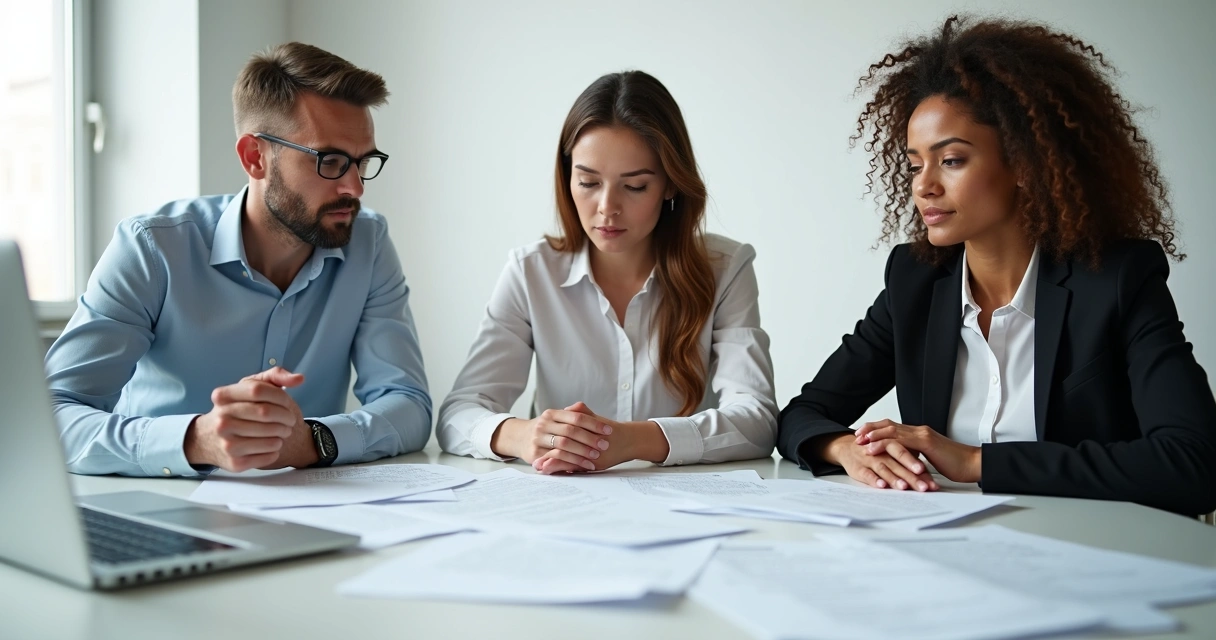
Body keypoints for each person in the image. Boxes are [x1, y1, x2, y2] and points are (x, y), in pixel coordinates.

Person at [777, 16, 1216, 515]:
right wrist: (844, 449)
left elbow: (1195, 463)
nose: (924, 187)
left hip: (1087, 555)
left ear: (1026, 165)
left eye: (953, 160)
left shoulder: (1116, 279)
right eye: (915, 164)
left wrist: (975, 461)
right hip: (945, 549)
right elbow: (803, 415)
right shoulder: (915, 280)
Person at [44, 42, 431, 477]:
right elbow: (52, 417)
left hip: (309, 510)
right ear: (255, 157)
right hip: (162, 504)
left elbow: (409, 404)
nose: (355, 188)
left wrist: (313, 440)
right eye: (332, 161)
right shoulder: (153, 249)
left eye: (364, 162)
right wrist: (196, 440)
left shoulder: (368, 243)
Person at [438, 71, 777, 473]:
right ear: (568, 178)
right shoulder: (531, 272)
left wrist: (631, 441)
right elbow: (459, 413)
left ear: (670, 184)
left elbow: (757, 421)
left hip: (684, 509)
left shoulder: (725, 267)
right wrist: (525, 435)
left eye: (634, 187)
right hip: (561, 504)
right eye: (587, 182)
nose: (606, 207)